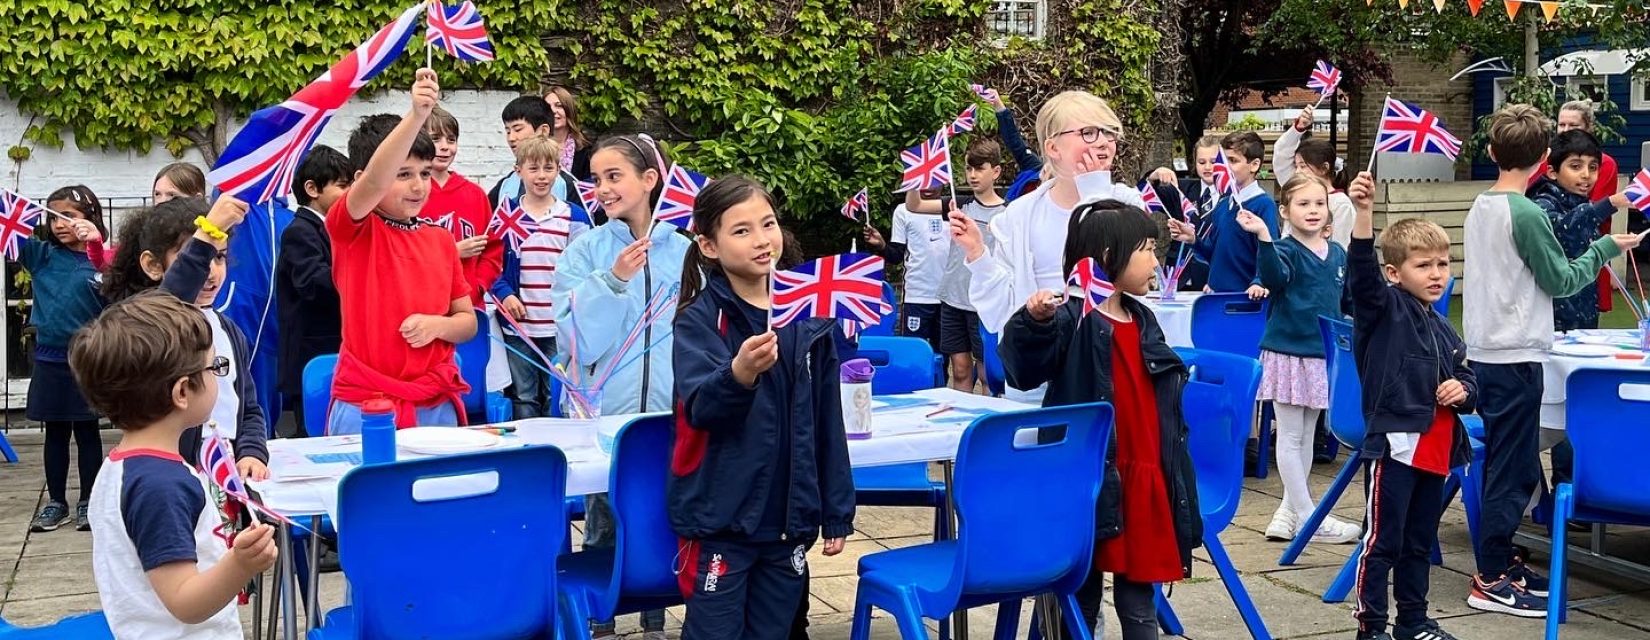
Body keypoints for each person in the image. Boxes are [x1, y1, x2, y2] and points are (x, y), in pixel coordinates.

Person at [1463, 104, 1641, 618]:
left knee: (1511, 463)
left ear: (1493, 153)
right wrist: (1607, 244)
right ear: (1544, 158)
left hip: (1489, 347)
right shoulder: (1529, 213)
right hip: (1515, 350)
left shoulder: (1482, 204)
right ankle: (1492, 575)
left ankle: (1503, 563)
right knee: (1511, 468)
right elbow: (1561, 279)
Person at [999, 200, 1200, 640]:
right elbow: (1023, 366)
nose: (1156, 259)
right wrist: (1034, 322)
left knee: (1139, 597)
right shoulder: (1072, 317)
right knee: (1077, 591)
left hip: (1143, 476)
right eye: (1147, 248)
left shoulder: (1144, 319)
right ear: (1109, 256)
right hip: (1088, 482)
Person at [670, 175, 853, 640]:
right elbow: (701, 409)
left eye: (767, 224)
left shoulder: (810, 316)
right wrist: (739, 373)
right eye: (741, 230)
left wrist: (835, 509)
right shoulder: (699, 318)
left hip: (789, 523)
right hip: (722, 522)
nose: (760, 240)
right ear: (708, 246)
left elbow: (827, 421)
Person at [74, 291, 278, 639]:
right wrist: (240, 564)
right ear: (183, 392)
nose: (220, 376)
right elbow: (184, 601)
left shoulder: (120, 468)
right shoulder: (161, 484)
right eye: (215, 367)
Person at [553, 133, 689, 638]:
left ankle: (656, 618)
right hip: (607, 419)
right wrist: (611, 281)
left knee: (662, 513)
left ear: (650, 179)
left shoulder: (687, 248)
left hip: (671, 415)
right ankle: (601, 619)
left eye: (615, 176)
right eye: (596, 179)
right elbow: (576, 339)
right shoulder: (584, 250)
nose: (603, 189)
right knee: (605, 520)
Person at [1344, 171, 1477, 640]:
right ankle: (1372, 627)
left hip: (1438, 451)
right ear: (1396, 274)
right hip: (1397, 447)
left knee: (1420, 543)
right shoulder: (1382, 309)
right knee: (1382, 542)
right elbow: (1361, 278)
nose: (1437, 274)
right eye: (1424, 266)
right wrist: (1363, 216)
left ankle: (1414, 622)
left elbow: (1468, 375)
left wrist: (1464, 391)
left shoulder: (1443, 326)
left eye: (1442, 264)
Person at [328, 69, 476, 433]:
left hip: (436, 403)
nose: (418, 186)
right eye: (403, 173)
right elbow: (376, 181)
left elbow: (467, 322)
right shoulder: (353, 229)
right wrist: (417, 116)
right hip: (367, 405)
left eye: (425, 174)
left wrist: (438, 326)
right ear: (362, 178)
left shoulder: (441, 240)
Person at [952, 90, 1148, 340]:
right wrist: (978, 254)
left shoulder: (1128, 202)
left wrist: (1095, 192)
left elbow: (1139, 281)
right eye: (1089, 132)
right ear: (1053, 148)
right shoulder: (1020, 215)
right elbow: (999, 313)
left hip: (1110, 357)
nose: (1103, 142)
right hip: (1043, 361)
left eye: (1109, 132)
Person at [102, 197, 271, 480]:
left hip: (226, 472)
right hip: (173, 472)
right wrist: (206, 234)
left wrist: (252, 452)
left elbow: (249, 407)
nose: (211, 270)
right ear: (154, 265)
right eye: (197, 256)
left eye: (219, 257)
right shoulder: (151, 321)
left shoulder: (229, 330)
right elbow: (171, 303)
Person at [1238, 174, 1360, 545]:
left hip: (1322, 356)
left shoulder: (1337, 253)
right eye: (1303, 204)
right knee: (1290, 437)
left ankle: (1289, 511)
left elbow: (1344, 301)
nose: (1312, 211)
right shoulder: (1285, 249)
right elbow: (1274, 277)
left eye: (1319, 204)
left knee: (1307, 437)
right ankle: (1311, 517)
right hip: (1289, 354)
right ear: (1285, 211)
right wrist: (1263, 236)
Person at [22, 186, 107, 533]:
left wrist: (98, 244)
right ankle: (57, 502)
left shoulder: (102, 259)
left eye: (68, 216)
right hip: (49, 359)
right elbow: (8, 231)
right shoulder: (41, 256)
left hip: (87, 359)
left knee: (88, 433)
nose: (58, 224)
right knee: (54, 433)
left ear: (89, 217)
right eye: (52, 216)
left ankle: (90, 500)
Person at [490, 135, 592, 418]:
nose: (541, 176)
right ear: (518, 170)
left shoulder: (575, 217)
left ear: (559, 170)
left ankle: (557, 448)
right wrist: (505, 294)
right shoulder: (507, 214)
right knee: (523, 396)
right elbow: (489, 267)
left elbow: (584, 270)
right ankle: (528, 451)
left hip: (559, 326)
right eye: (533, 168)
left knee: (556, 393)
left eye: (549, 168)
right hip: (518, 325)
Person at [901, 140, 1007, 392]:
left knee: (987, 372)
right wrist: (916, 176)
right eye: (969, 169)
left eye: (979, 168)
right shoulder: (958, 204)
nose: (972, 175)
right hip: (952, 299)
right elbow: (914, 205)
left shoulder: (1009, 211)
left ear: (996, 171)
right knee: (959, 369)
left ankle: (987, 424)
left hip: (985, 303)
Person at [1527, 129, 1635, 332]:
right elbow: (1562, 228)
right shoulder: (1541, 203)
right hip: (1549, 323)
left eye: (1593, 167)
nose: (1586, 174)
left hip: (1585, 316)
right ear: (1552, 171)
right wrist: (1611, 202)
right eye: (1575, 166)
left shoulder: (1581, 205)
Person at [276, 145, 351, 438]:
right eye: (343, 186)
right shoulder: (300, 231)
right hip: (312, 355)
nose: (349, 193)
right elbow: (314, 283)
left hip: (333, 352)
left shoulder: (332, 228)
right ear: (312, 188)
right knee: (314, 433)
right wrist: (359, 277)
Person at [1166, 130, 1281, 294]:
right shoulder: (1222, 204)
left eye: (1233, 161)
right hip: (1216, 296)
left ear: (1254, 165)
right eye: (1223, 161)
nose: (1224, 168)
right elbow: (1213, 253)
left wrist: (1259, 282)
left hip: (1245, 299)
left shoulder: (1264, 204)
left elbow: (1270, 252)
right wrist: (1193, 240)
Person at [422, 106, 504, 309]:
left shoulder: (475, 194)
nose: (445, 147)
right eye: (435, 139)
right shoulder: (410, 195)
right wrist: (452, 252)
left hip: (470, 307)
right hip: (423, 304)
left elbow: (492, 251)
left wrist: (478, 286)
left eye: (451, 140)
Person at [863, 193, 948, 353]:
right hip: (917, 297)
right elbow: (896, 255)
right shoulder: (903, 210)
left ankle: (941, 379)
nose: (928, 185)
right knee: (912, 352)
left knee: (943, 356)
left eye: (933, 180)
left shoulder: (954, 208)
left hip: (949, 299)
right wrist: (882, 245)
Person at [1273, 107, 1355, 248]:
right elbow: (1281, 156)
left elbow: (1341, 246)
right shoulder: (1295, 189)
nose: (1297, 172)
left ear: (1324, 168)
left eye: (1303, 166)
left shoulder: (1341, 204)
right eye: (1296, 165)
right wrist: (1298, 129)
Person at [1148, 136, 1223, 290]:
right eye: (1202, 162)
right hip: (1178, 275)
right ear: (1194, 163)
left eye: (1213, 162)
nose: (1208, 167)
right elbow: (1144, 194)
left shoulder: (1231, 196)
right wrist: (1154, 176)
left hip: (1211, 277)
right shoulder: (1181, 188)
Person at [489, 96, 585, 209]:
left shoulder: (568, 186)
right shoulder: (505, 185)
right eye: (508, 131)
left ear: (543, 131)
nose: (511, 138)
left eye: (518, 129)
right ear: (518, 171)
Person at [544, 85, 594, 181]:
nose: (553, 111)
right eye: (548, 107)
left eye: (559, 106)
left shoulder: (586, 151)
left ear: (569, 110)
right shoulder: (533, 147)